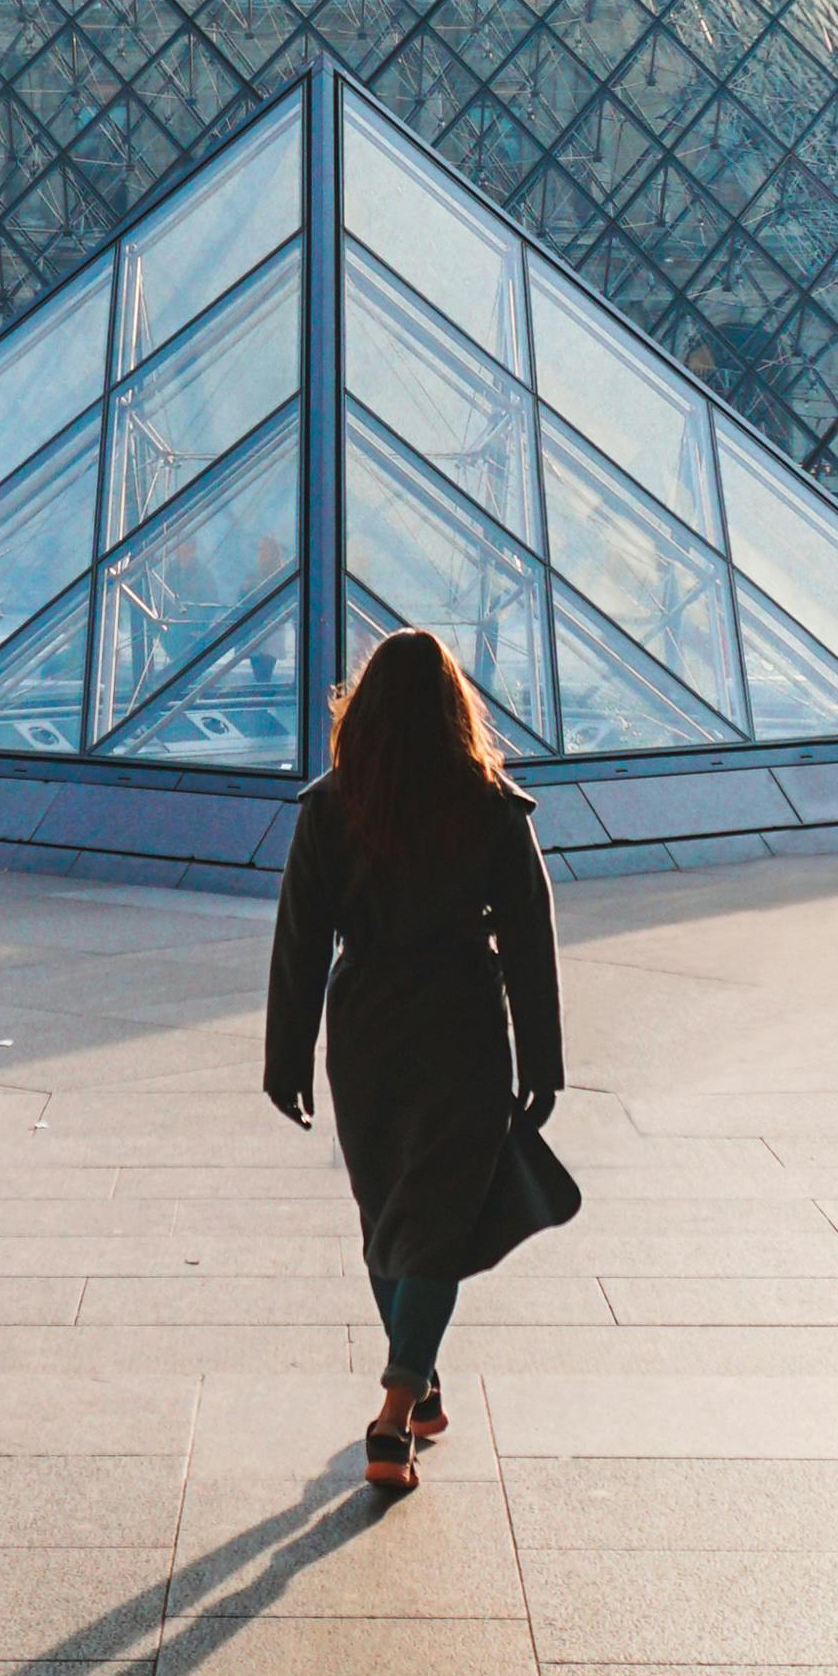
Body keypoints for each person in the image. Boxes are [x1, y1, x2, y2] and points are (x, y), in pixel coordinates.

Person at [264, 624, 571, 1495]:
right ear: (452, 707)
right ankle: (397, 1410)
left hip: (363, 1030)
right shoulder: (489, 803)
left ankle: (414, 1382)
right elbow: (527, 941)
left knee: (387, 1216)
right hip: (461, 1025)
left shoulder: (329, 806)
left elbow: (298, 942)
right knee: (434, 1218)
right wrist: (541, 1062)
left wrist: (286, 1058)